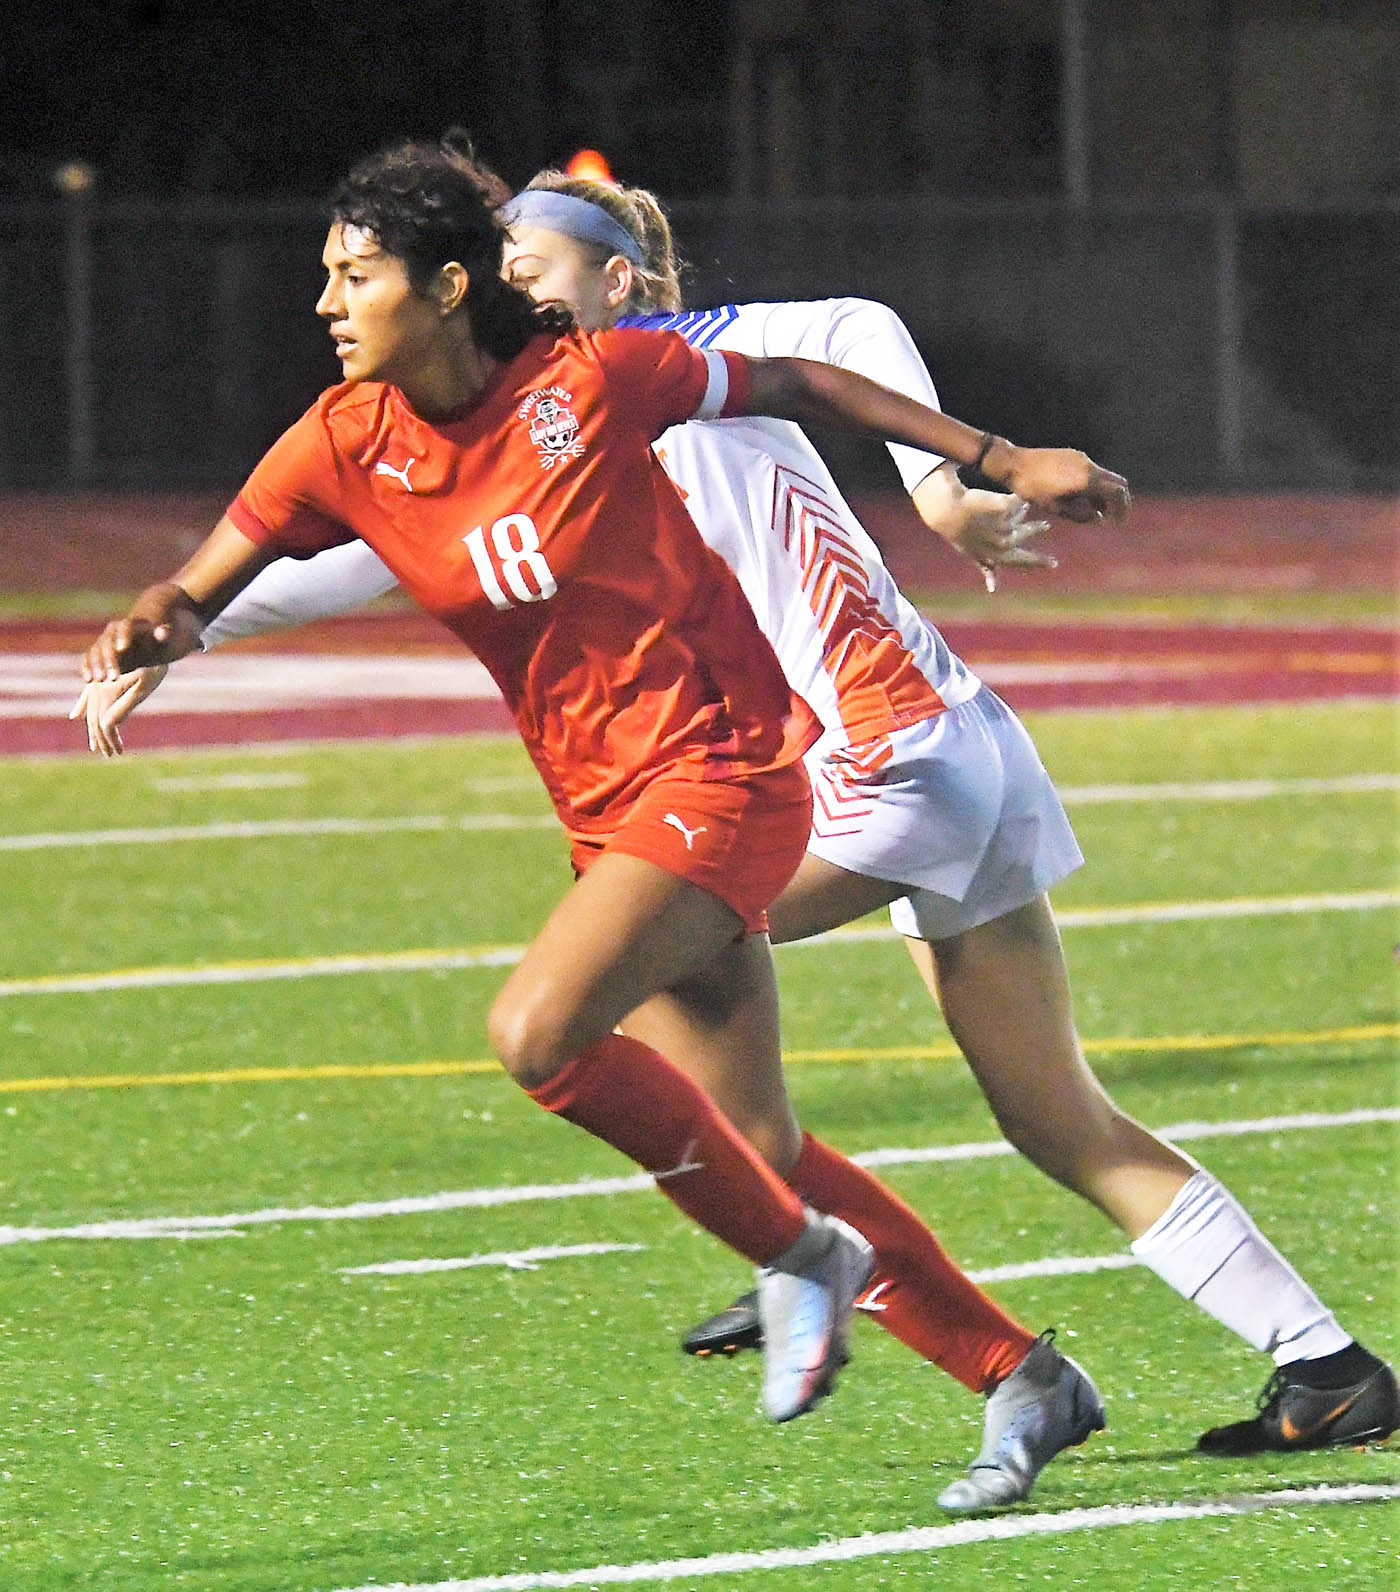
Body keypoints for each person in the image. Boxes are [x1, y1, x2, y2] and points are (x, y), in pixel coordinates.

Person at [80, 160, 1397, 1493]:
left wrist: (948, 480)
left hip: (865, 767)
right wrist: (179, 624)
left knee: (636, 1032)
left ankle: (791, 1250)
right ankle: (1314, 1362)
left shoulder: (646, 359)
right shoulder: (482, 421)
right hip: (955, 747)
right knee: (1048, 1116)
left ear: (619, 284)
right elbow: (369, 549)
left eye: (536, 267)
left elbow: (845, 337)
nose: (517, 288)